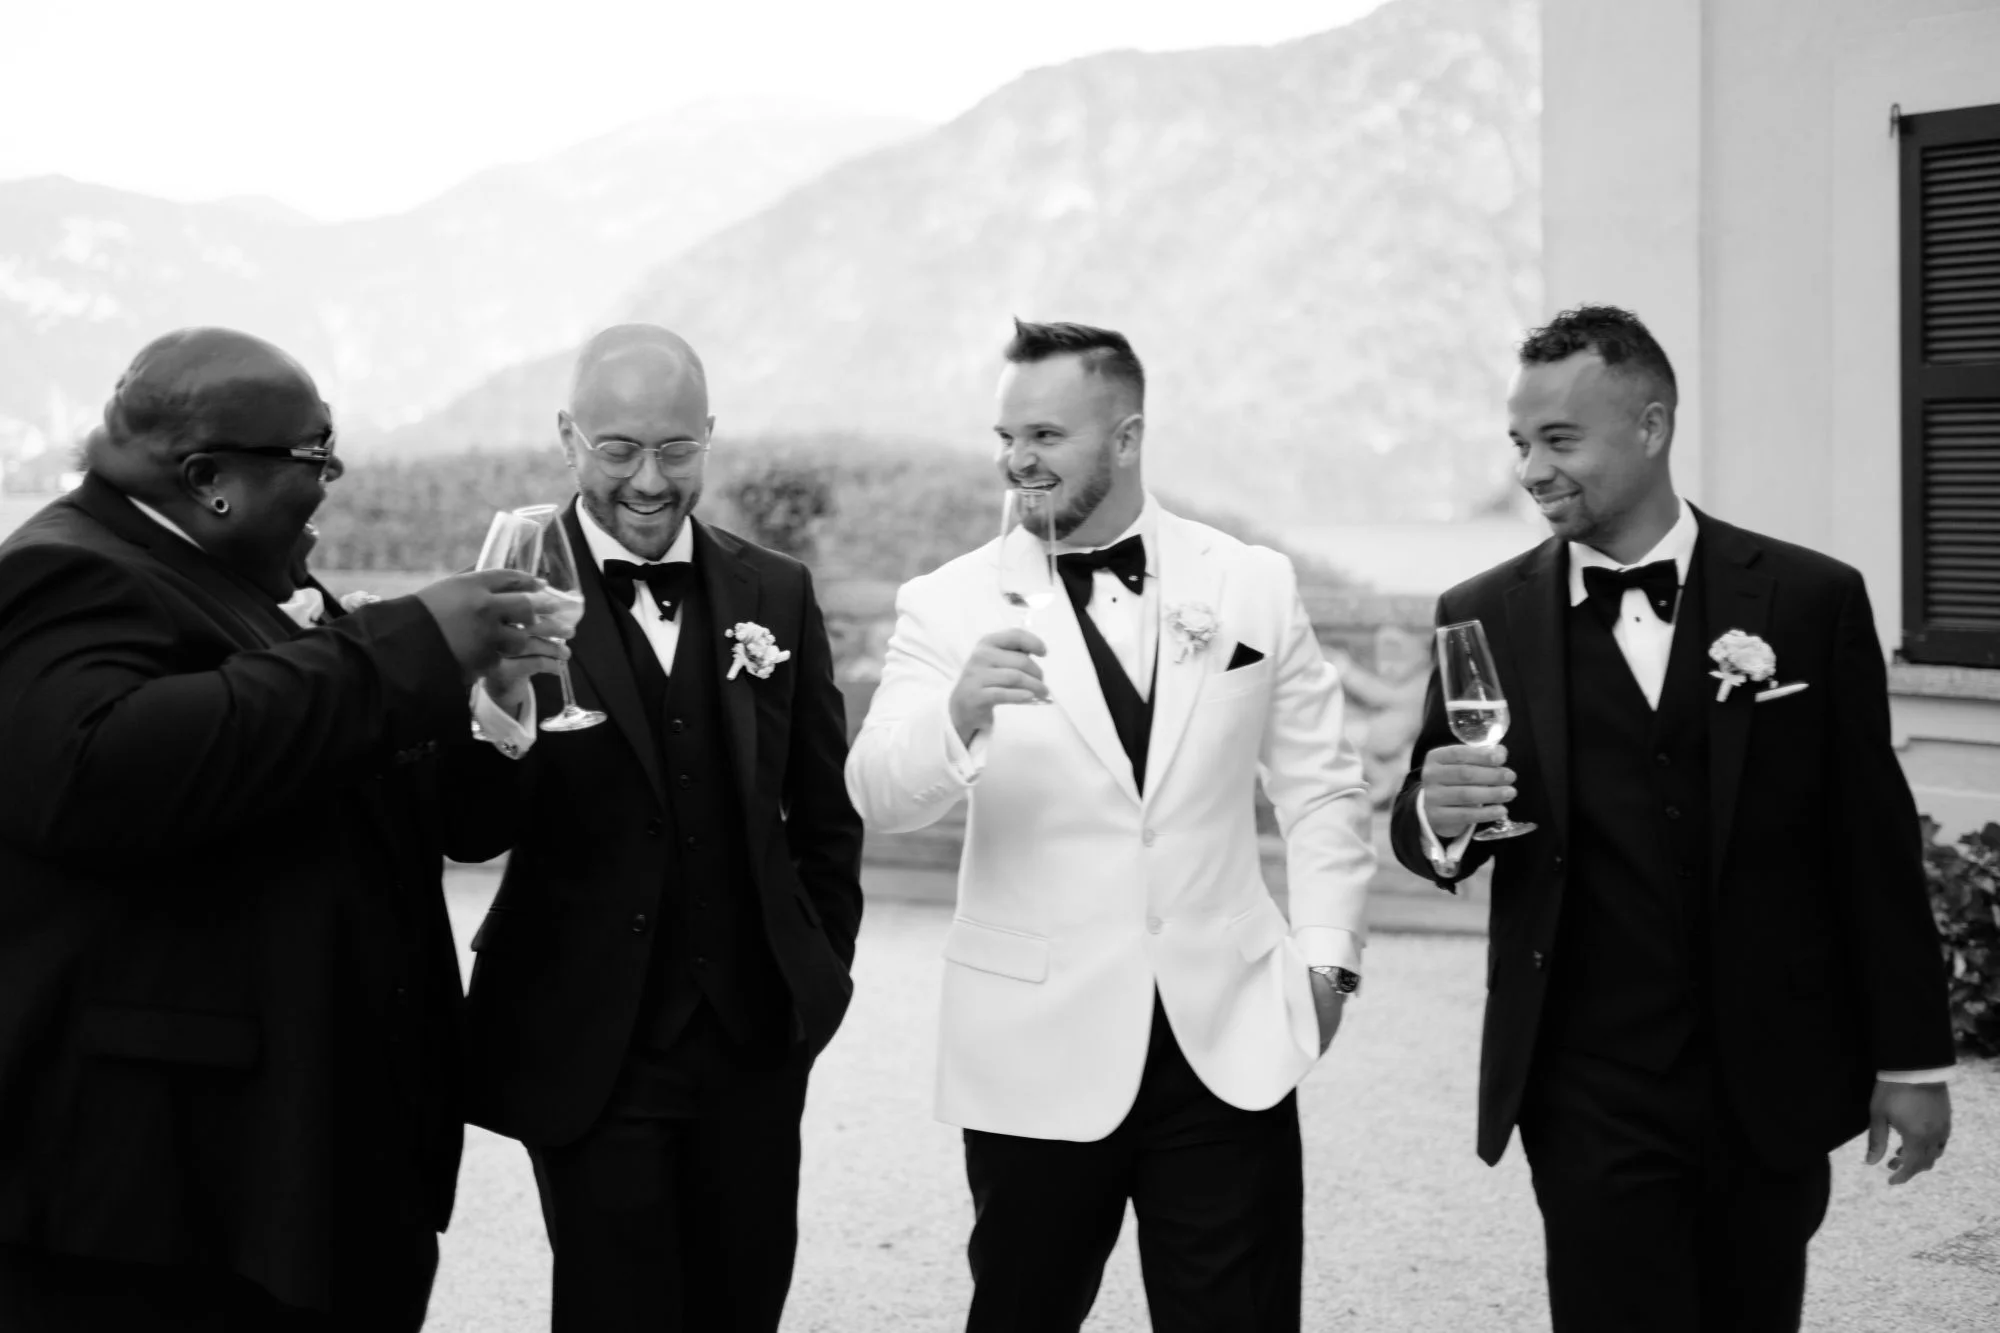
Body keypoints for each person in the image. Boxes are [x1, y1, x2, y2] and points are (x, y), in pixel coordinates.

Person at [1389, 305, 1955, 1332]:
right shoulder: (1480, 611)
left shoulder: (1808, 599)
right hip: (1585, 1081)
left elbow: (1871, 844)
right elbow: (1430, 814)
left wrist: (1911, 1060)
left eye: (1559, 440)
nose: (1531, 470)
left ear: (1650, 427)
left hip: (1769, 1072)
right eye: (1519, 443)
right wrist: (1436, 812)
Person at [0, 327, 555, 1330]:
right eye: (316, 457)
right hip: (165, 1206)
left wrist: (487, 707)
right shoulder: (61, 570)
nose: (331, 483)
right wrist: (403, 646)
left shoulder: (254, 579)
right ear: (210, 478)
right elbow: (95, 771)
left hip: (310, 1168)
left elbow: (362, 785)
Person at [845, 319, 1374, 1332]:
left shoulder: (1248, 582)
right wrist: (956, 714)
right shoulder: (947, 601)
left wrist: (1328, 963)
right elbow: (876, 792)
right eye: (1006, 436)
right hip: (1034, 1047)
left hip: (1228, 1039)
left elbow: (1321, 787)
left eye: (1045, 435)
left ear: (1126, 438)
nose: (1018, 460)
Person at [452, 324, 864, 1333]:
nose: (648, 480)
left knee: (744, 1301)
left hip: (751, 1043)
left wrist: (814, 982)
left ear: (708, 435)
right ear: (568, 438)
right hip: (589, 1045)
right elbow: (467, 828)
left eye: (676, 449)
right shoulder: (501, 597)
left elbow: (824, 814)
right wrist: (499, 702)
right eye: (619, 449)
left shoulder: (777, 591)